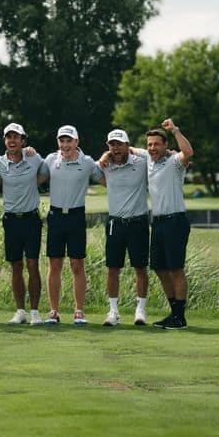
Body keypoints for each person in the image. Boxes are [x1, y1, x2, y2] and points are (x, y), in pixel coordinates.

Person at [40, 125, 102, 325]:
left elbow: (107, 177)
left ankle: (79, 311)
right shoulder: (50, 160)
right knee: (55, 264)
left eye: (69, 141)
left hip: (76, 217)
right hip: (55, 216)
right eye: (62, 141)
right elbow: (34, 177)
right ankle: (54, 311)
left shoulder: (87, 162)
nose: (65, 145)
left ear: (77, 142)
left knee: (77, 264)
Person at [138, 119, 194, 330]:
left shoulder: (175, 162)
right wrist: (107, 155)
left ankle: (180, 318)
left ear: (165, 145)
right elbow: (130, 149)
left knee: (176, 269)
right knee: (160, 269)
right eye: (149, 144)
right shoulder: (148, 160)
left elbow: (188, 152)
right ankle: (174, 313)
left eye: (156, 144)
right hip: (158, 223)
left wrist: (176, 131)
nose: (152, 148)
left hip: (175, 221)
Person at [0, 123, 48, 325]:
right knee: (15, 266)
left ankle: (34, 312)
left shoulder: (34, 158)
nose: (12, 141)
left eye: (16, 137)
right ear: (5, 140)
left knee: (32, 264)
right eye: (9, 137)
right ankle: (20, 311)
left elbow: (44, 174)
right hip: (11, 220)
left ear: (23, 140)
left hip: (31, 220)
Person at [98, 129, 150, 327]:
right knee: (112, 268)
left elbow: (152, 153)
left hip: (138, 222)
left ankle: (140, 310)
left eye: (119, 144)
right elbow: (94, 170)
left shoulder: (141, 162)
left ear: (128, 145)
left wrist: (135, 150)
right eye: (112, 144)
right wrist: (104, 156)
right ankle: (113, 312)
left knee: (140, 267)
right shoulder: (105, 165)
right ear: (108, 146)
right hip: (115, 223)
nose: (116, 148)